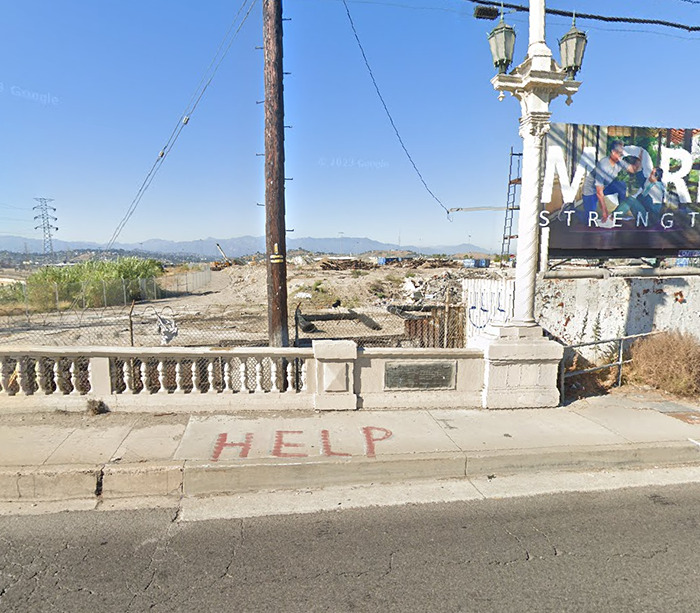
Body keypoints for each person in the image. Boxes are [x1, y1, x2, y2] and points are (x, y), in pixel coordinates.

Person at [581, 140, 643, 225]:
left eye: (622, 154)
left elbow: (633, 169)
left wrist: (639, 158)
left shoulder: (620, 162)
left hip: (605, 187)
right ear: (613, 152)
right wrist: (604, 211)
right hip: (591, 190)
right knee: (589, 219)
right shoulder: (603, 165)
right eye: (620, 154)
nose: (621, 156)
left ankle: (619, 213)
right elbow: (599, 192)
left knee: (621, 185)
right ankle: (570, 210)